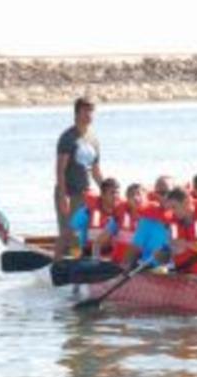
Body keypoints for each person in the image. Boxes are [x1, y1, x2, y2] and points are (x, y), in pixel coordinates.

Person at [54, 95, 103, 260]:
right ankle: (62, 265)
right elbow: (60, 170)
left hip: (86, 194)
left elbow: (95, 171)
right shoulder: (68, 137)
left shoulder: (94, 139)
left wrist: (107, 191)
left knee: (84, 234)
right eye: (85, 111)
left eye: (91, 111)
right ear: (76, 113)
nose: (89, 115)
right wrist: (62, 196)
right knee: (69, 234)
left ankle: (82, 262)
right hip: (69, 193)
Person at [69, 177, 120, 258]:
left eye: (117, 193)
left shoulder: (121, 213)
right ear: (103, 195)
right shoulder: (87, 211)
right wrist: (76, 256)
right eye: (112, 193)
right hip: (90, 254)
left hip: (112, 256)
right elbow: (73, 234)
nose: (116, 196)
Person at [165, 187, 197, 274]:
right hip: (183, 273)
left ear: (186, 202)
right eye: (170, 208)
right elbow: (175, 247)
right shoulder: (174, 223)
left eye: (174, 207)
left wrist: (185, 244)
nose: (172, 212)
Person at [111, 183, 146, 264]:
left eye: (139, 194)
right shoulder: (118, 216)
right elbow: (100, 240)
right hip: (118, 263)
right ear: (127, 199)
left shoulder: (152, 219)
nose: (135, 198)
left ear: (145, 197)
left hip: (141, 266)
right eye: (131, 195)